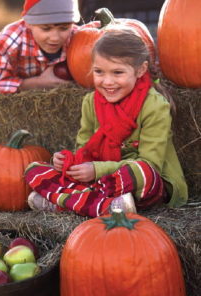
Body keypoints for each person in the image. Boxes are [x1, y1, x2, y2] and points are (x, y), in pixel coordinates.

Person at [24, 31, 188, 218]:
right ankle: (107, 205)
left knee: (143, 173)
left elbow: (150, 163)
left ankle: (66, 201)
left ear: (141, 70)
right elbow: (83, 150)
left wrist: (96, 170)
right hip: (100, 179)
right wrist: (67, 161)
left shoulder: (154, 105)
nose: (107, 81)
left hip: (140, 183)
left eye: (117, 72)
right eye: (99, 72)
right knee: (33, 170)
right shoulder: (90, 102)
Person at [0, 0, 96, 94]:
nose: (55, 38)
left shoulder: (78, 38)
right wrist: (33, 84)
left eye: (64, 28)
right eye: (46, 29)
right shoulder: (9, 41)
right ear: (28, 22)